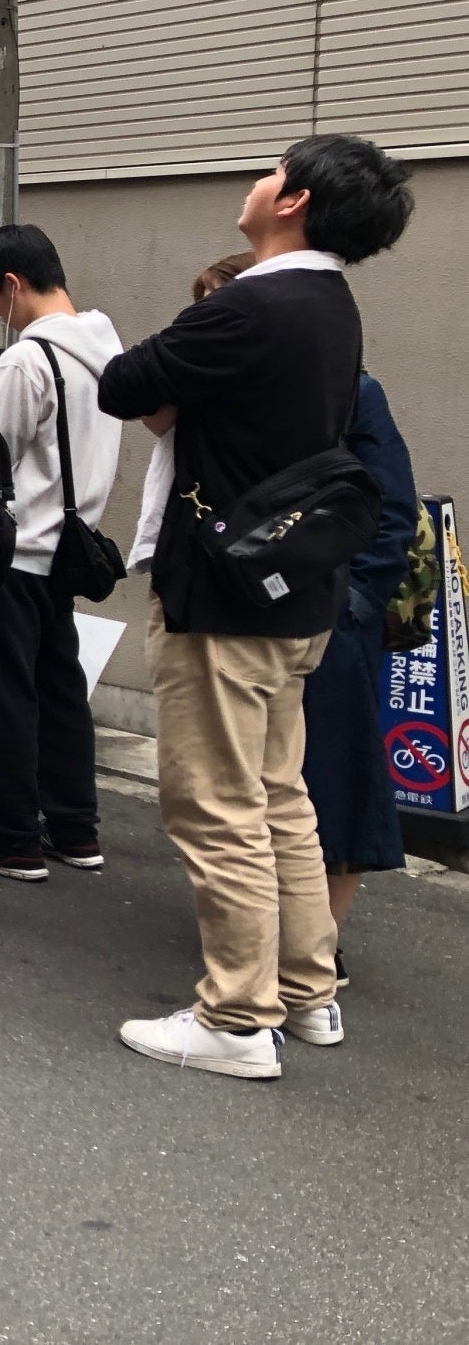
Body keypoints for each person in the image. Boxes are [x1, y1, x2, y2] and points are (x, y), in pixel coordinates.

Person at [99, 134, 414, 1079]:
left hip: (224, 596)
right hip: (295, 594)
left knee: (216, 802)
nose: (256, 180)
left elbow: (124, 383)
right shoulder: (333, 306)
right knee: (280, 796)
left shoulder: (251, 304)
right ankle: (308, 992)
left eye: (273, 170)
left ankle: (236, 1017)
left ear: (295, 200)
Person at [0, 224, 125, 882]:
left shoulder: (29, 360)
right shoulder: (107, 350)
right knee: (62, 690)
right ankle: (76, 828)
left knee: (4, 696)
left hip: (16, 550)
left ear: (12, 283)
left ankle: (14, 839)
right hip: (70, 551)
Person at [303, 372, 418, 990]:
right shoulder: (263, 384)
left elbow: (394, 507)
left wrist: (354, 603)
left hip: (335, 618)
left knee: (338, 777)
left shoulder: (356, 393)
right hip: (269, 615)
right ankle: (280, 929)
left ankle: (321, 943)